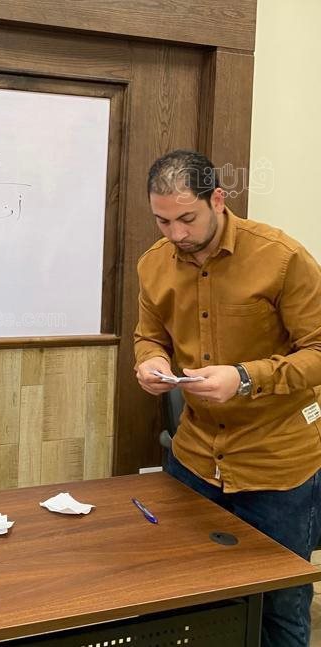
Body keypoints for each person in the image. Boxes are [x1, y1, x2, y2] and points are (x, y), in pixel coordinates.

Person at [134, 149, 321, 647]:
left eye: (187, 219)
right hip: (195, 460)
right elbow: (149, 336)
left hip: (276, 465)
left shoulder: (281, 258)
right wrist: (150, 362)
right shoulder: (153, 264)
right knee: (191, 601)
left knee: (279, 608)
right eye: (162, 221)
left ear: (218, 199)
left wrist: (244, 377)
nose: (176, 234)